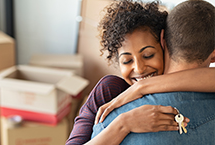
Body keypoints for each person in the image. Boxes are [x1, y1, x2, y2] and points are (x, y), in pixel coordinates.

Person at [66, 0, 215, 144]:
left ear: (163, 43)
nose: (139, 68)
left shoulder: (114, 115)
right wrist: (123, 124)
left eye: (148, 55)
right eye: (127, 61)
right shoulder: (109, 92)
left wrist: (142, 87)